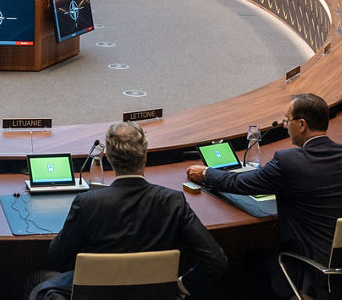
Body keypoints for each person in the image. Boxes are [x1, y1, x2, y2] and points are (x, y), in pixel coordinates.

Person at [187, 94, 342, 298]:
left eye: (286, 119)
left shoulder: (289, 161)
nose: (284, 125)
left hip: (315, 269)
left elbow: (239, 183)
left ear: (301, 124)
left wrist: (205, 173)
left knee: (247, 263)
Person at [29, 121, 227, 300]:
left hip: (96, 294)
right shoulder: (173, 201)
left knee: (37, 280)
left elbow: (57, 257)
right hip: (155, 294)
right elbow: (216, 261)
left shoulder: (87, 203)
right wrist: (179, 286)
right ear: (145, 155)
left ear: (108, 157)